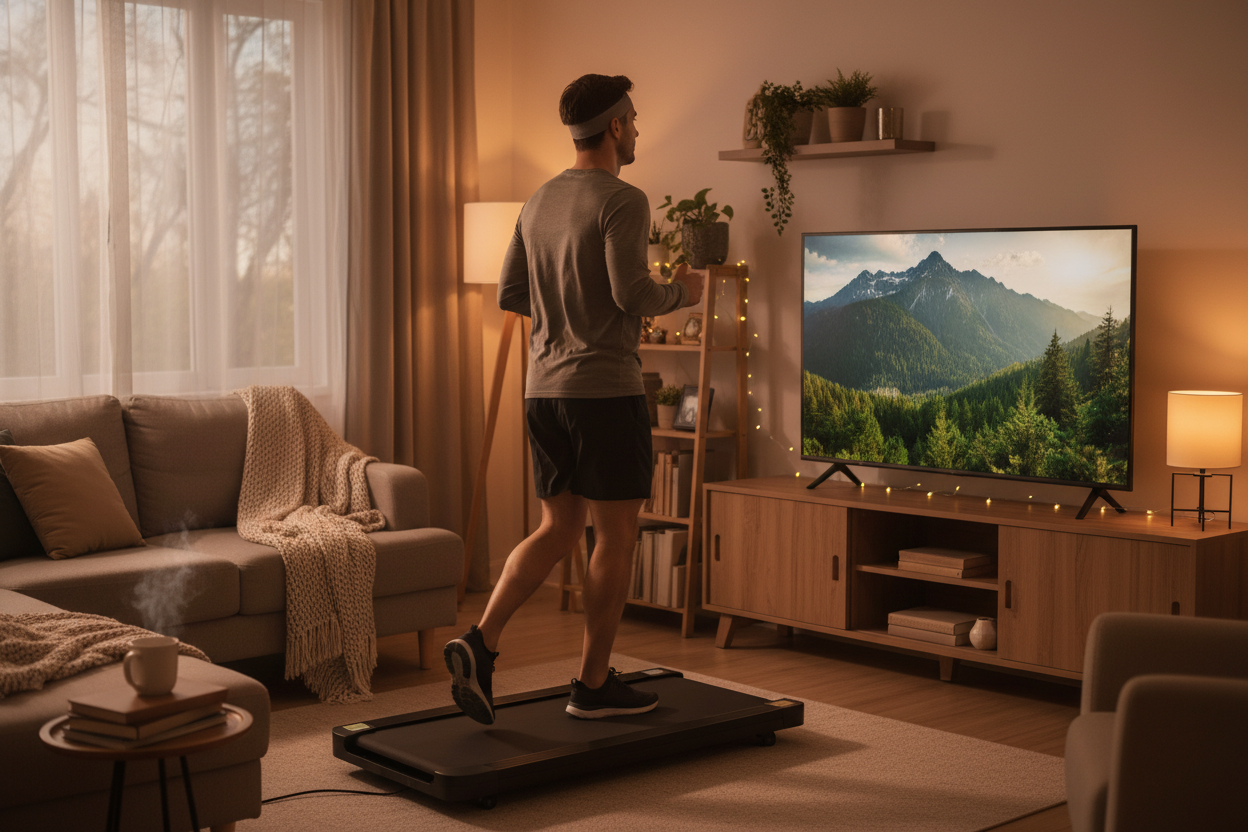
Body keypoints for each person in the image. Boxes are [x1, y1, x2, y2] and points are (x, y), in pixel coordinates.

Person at [444, 74, 703, 724]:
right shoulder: (624, 198)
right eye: (634, 120)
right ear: (615, 127)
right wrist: (685, 292)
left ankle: (482, 640)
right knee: (615, 535)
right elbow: (632, 294)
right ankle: (592, 683)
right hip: (605, 392)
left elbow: (510, 292)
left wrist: (565, 314)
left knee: (558, 527)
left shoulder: (538, 201)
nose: (637, 130)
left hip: (544, 390)